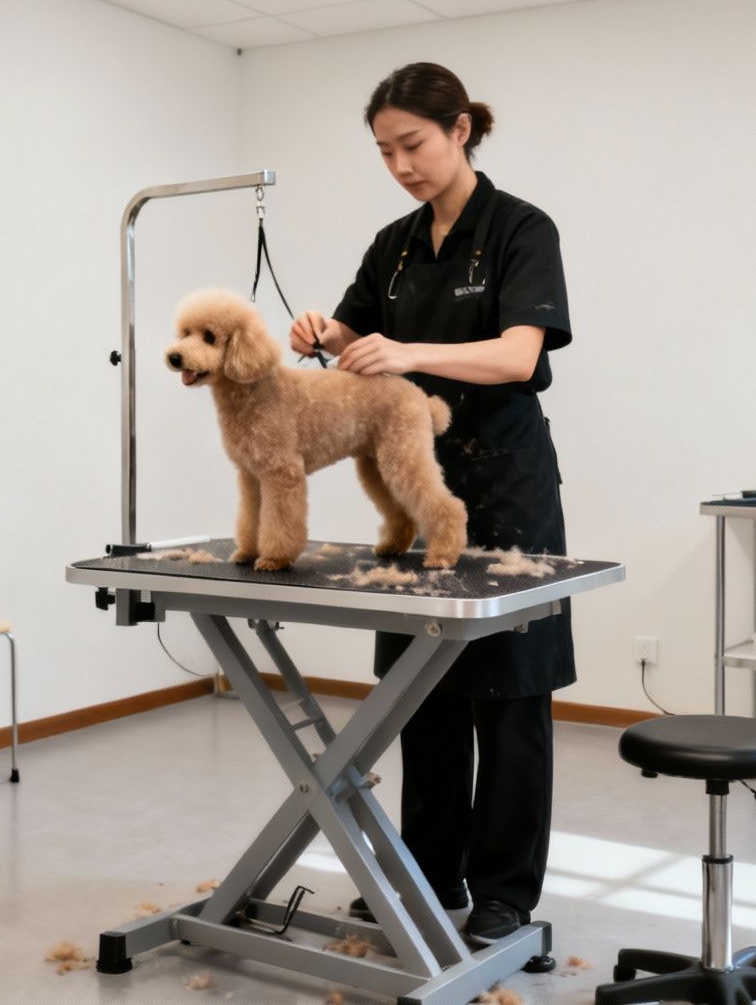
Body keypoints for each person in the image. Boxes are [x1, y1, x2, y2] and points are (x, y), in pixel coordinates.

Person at [289, 62, 573, 949]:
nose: (401, 164)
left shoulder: (523, 228)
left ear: (459, 129)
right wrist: (324, 335)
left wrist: (407, 352)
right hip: (416, 485)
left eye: (412, 144)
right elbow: (355, 336)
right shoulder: (396, 244)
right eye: (384, 152)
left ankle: (502, 895)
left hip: (506, 485)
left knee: (511, 698)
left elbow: (519, 358)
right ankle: (426, 872)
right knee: (424, 692)